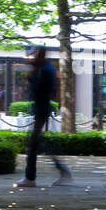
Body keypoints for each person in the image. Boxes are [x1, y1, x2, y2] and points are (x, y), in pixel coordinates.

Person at [14, 46, 71, 187]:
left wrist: (31, 78)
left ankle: (31, 178)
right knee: (37, 141)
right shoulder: (47, 68)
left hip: (41, 108)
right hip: (42, 107)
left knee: (33, 143)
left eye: (32, 55)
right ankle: (59, 170)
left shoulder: (43, 70)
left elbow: (38, 89)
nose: (31, 57)